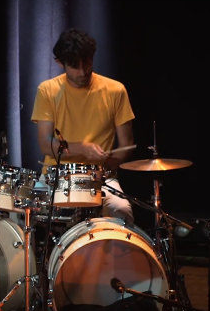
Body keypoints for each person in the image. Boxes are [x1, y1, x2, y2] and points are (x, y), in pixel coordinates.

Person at [31, 28, 135, 222]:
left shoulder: (116, 90)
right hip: (56, 176)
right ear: (59, 63)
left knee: (122, 210)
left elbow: (126, 145)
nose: (83, 72)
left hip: (100, 178)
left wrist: (108, 161)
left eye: (87, 63)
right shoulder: (47, 90)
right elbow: (45, 144)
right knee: (25, 214)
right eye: (74, 66)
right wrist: (82, 149)